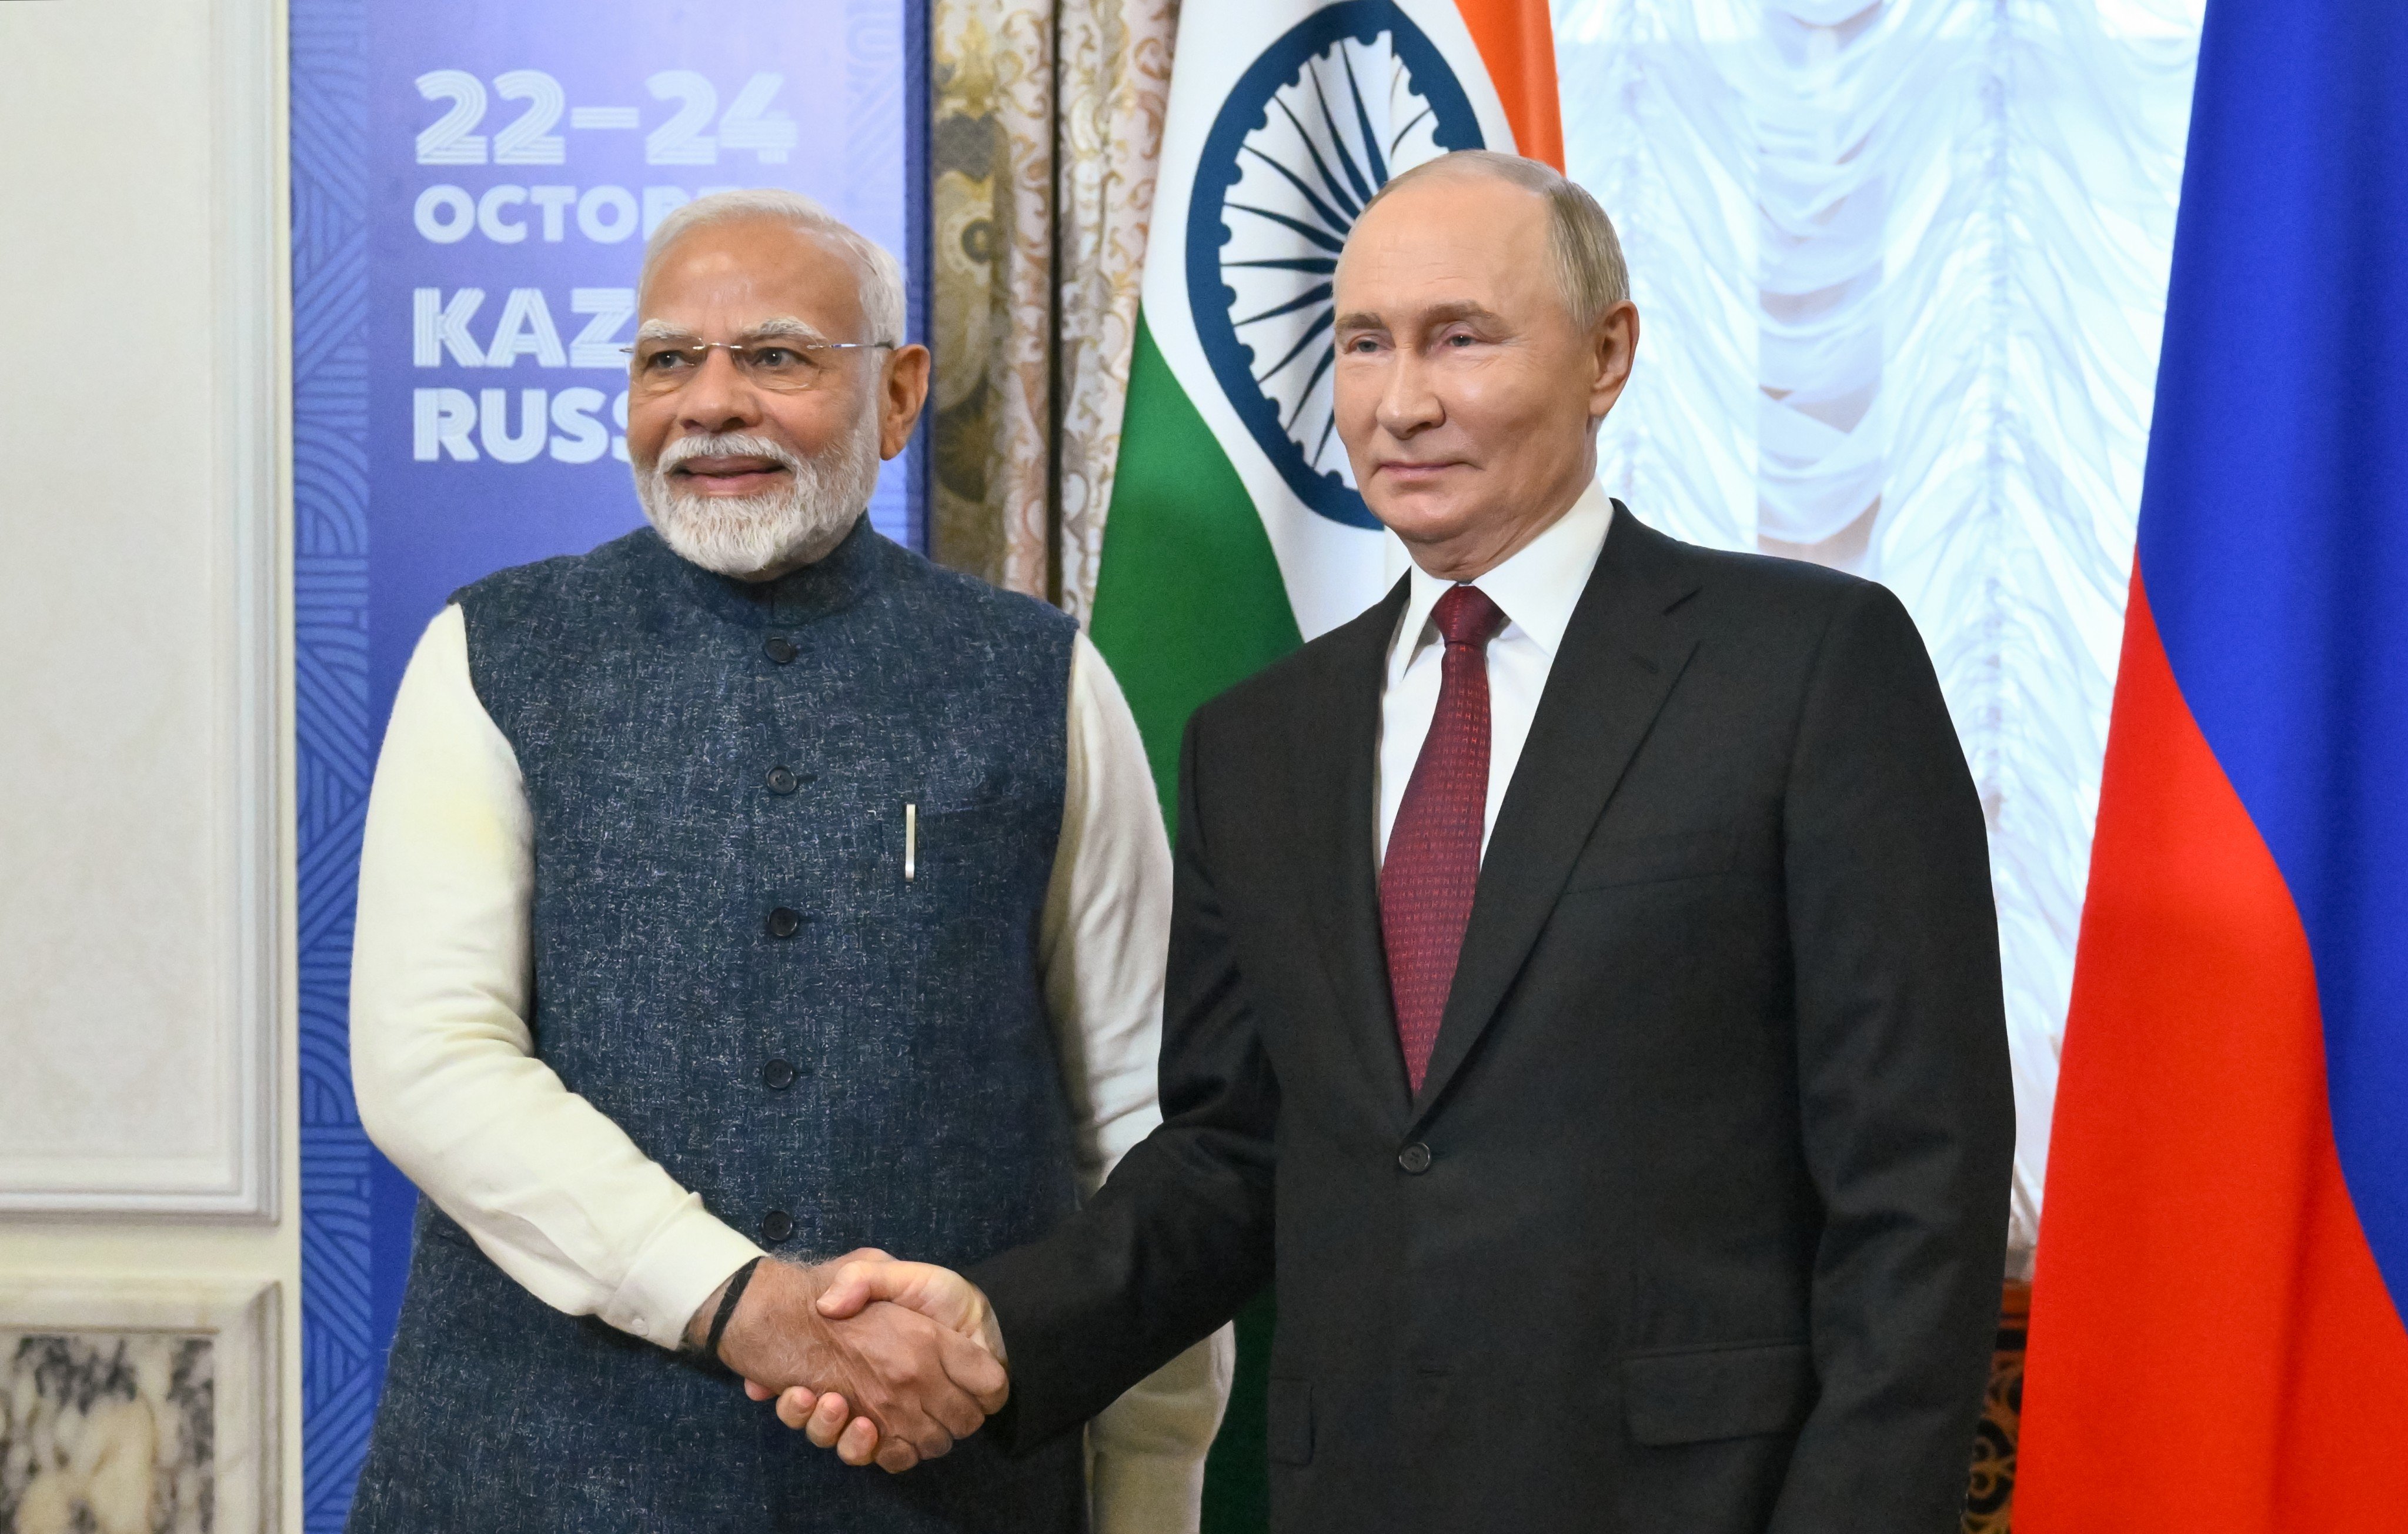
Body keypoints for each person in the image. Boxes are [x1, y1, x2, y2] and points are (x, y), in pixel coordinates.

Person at [771, 151, 2016, 1532]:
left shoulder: (1807, 668)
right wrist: (998, 1324)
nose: (1399, 401)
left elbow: (1916, 1181)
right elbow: (1233, 1150)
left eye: (1459, 337)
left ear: (1605, 356)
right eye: (1362, 343)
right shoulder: (1262, 738)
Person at [343, 188, 1230, 1533]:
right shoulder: (490, 653)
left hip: (952, 1493)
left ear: (897, 395)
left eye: (773, 356)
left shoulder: (1037, 677)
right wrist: (745, 1303)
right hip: (533, 1479)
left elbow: (1138, 1119)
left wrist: (1153, 1487)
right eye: (663, 361)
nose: (708, 404)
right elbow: (429, 1059)